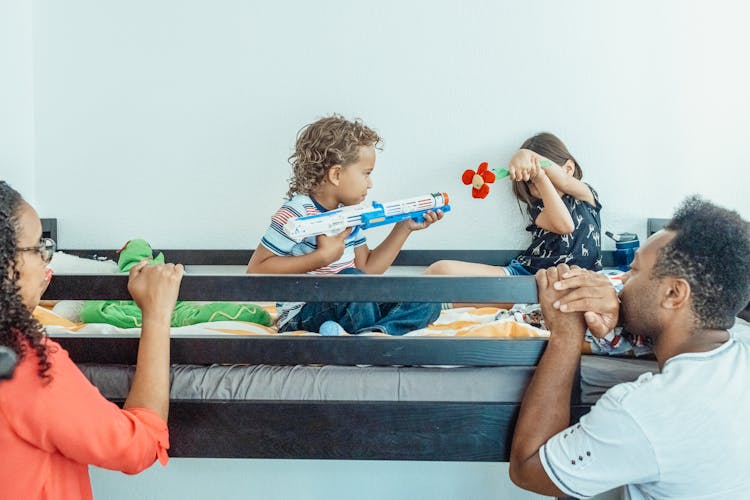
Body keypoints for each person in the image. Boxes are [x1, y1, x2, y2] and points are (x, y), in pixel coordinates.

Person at [509, 195, 750, 499]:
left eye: (634, 270)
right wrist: (622, 316)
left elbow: (527, 469)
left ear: (674, 293)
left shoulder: (643, 410)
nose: (621, 280)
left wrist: (567, 334)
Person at [0, 181, 184, 500]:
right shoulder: (27, 364)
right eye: (38, 248)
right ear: (7, 263)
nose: (47, 259)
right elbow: (138, 446)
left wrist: (22, 297)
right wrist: (156, 315)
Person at [247, 114, 443, 335]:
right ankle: (365, 337)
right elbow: (256, 270)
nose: (370, 184)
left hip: (356, 299)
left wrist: (404, 227)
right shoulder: (296, 212)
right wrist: (321, 258)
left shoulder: (349, 214)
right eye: (366, 174)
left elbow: (367, 269)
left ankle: (376, 335)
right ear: (337, 174)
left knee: (427, 296)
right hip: (304, 312)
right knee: (352, 281)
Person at [426, 132, 602, 277]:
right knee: (440, 270)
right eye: (531, 182)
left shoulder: (585, 195)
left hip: (583, 281)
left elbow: (565, 214)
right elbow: (562, 224)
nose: (538, 185)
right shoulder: (538, 207)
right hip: (530, 277)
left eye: (545, 174)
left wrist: (525, 157)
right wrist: (539, 178)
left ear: (568, 169)